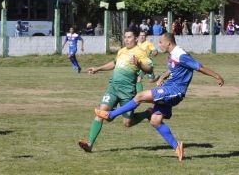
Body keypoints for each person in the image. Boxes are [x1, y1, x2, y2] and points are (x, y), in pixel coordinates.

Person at [94, 33, 224, 161]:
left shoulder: (181, 54)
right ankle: (177, 147)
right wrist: (163, 76)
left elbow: (199, 67)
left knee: (140, 96)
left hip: (174, 91)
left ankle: (111, 115)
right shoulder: (174, 55)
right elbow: (174, 68)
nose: (159, 45)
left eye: (161, 42)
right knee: (155, 121)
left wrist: (216, 76)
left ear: (168, 43)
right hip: (169, 88)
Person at [78, 28, 153, 152]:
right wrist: (98, 68)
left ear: (135, 38)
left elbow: (149, 69)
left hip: (127, 92)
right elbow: (114, 63)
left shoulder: (140, 52)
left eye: (129, 37)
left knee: (127, 123)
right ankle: (89, 143)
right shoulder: (121, 51)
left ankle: (147, 113)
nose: (127, 39)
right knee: (101, 112)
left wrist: (139, 63)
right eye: (125, 37)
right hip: (113, 88)